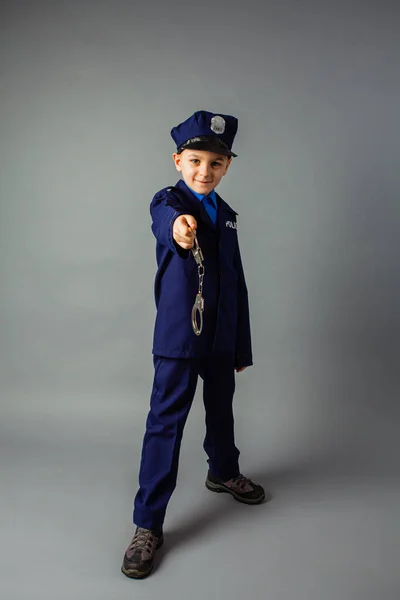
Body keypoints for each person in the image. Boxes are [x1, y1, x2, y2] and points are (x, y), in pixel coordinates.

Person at [121, 110, 266, 580]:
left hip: (220, 337)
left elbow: (236, 284)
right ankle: (148, 525)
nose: (205, 171)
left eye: (216, 163)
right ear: (178, 160)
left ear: (228, 167)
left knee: (221, 409)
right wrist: (180, 230)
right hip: (181, 338)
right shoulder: (169, 201)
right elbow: (166, 221)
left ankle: (223, 471)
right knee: (166, 424)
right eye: (196, 160)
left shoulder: (226, 216)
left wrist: (240, 346)